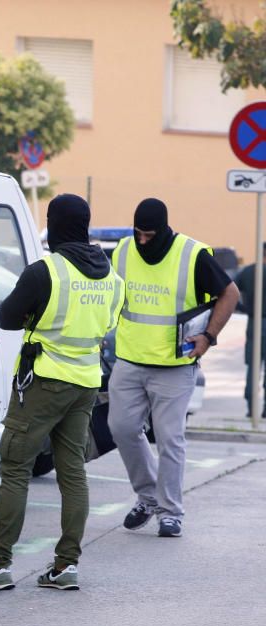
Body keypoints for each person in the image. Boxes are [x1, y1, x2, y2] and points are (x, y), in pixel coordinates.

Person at [0, 194, 124, 592]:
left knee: (15, 467)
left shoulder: (46, 271)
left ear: (53, 226)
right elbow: (107, 323)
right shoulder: (112, 277)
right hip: (85, 382)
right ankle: (66, 565)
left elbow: (7, 317)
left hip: (43, 382)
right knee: (73, 473)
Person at [108, 198, 238, 538]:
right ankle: (148, 497)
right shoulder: (122, 250)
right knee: (121, 429)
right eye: (138, 234)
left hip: (175, 365)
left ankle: (170, 512)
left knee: (169, 438)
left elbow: (230, 293)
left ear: (164, 230)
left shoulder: (192, 255)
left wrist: (209, 337)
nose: (143, 242)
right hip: (130, 359)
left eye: (149, 235)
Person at [234, 244, 266, 417]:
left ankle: (251, 407)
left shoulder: (248, 272)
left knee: (253, 367)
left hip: (254, 322)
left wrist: (243, 308)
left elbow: (229, 289)